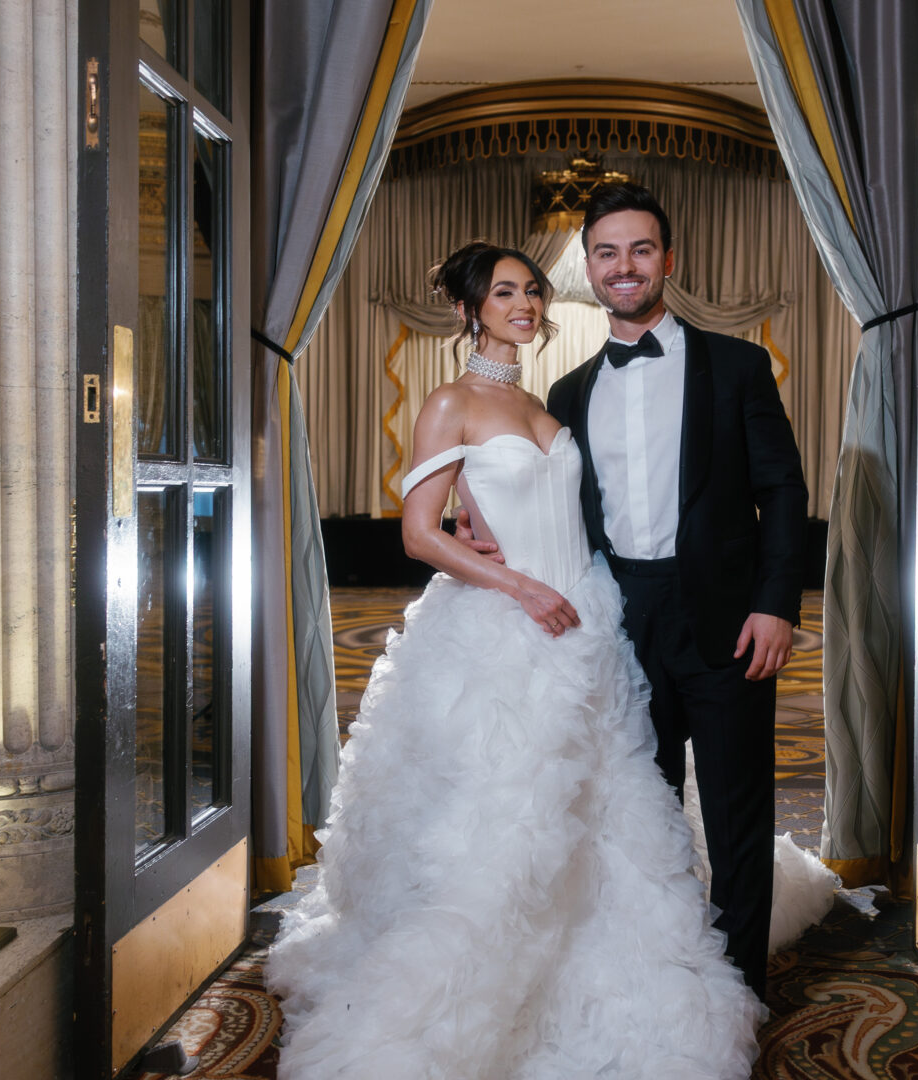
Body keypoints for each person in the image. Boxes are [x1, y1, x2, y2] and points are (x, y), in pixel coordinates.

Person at [265, 242, 764, 1079]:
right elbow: (417, 534)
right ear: (469, 310)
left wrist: (502, 537)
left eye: (532, 290)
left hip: (589, 620)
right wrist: (517, 585)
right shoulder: (449, 402)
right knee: (509, 818)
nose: (526, 304)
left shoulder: (547, 399)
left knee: (603, 808)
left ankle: (606, 968)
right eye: (504, 293)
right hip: (505, 628)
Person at [543, 183, 809, 997]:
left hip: (730, 620)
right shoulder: (567, 393)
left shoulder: (737, 365)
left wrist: (777, 604)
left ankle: (739, 993)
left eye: (640, 249)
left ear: (668, 259)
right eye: (607, 252)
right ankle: (656, 984)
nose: (623, 266)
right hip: (620, 624)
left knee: (736, 814)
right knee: (639, 818)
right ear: (589, 266)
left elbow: (782, 490)